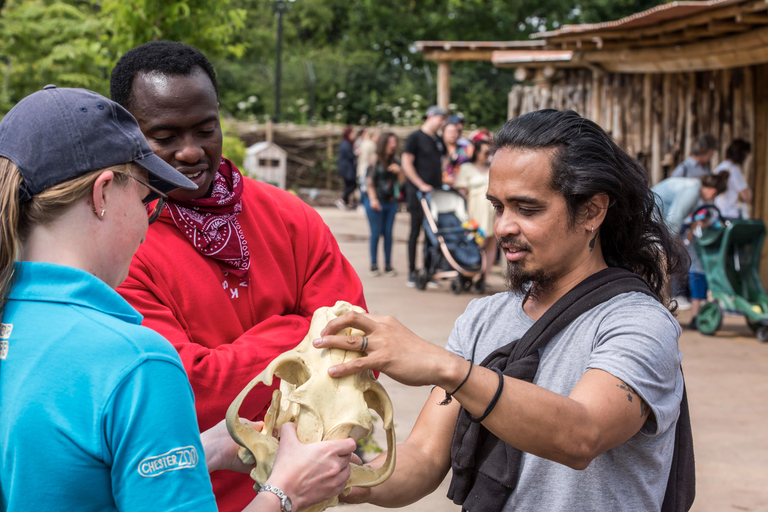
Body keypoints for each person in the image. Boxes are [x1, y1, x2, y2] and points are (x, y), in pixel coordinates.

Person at [314, 109, 693, 511]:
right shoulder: (484, 317)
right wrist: (348, 479)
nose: (502, 227)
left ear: (593, 212)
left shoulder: (638, 322)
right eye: (498, 206)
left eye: (527, 209)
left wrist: (445, 367)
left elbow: (582, 435)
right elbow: (424, 456)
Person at [0, 86, 356, 512]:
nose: (149, 220)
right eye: (148, 194)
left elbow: (74, 476)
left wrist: (204, 449)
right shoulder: (137, 362)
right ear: (103, 194)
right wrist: (286, 491)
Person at [109, 41, 367, 511]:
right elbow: (186, 394)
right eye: (165, 136)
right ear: (128, 134)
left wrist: (232, 365)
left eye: (206, 130)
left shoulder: (290, 216)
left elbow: (348, 345)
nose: (190, 152)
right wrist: (296, 329)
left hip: (310, 494)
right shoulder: (121, 246)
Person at [402, 105, 447, 287]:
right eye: (440, 118)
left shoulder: (438, 140)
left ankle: (429, 272)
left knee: (432, 233)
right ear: (430, 117)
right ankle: (412, 272)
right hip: (418, 194)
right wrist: (420, 184)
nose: (442, 122)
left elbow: (442, 163)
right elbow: (406, 163)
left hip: (435, 194)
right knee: (416, 230)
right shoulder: (415, 138)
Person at [363, 132, 404, 277]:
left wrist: (400, 172)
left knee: (388, 234)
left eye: (394, 142)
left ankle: (388, 265)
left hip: (391, 202)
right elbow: (369, 182)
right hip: (376, 202)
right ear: (383, 144)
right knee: (375, 233)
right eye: (390, 142)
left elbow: (402, 182)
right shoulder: (375, 160)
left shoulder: (396, 160)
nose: (393, 145)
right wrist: (373, 199)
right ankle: (374, 265)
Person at [455, 138, 496, 283]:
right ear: (477, 152)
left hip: (492, 209)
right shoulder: (466, 167)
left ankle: (483, 278)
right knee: (477, 242)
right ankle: (470, 274)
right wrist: (463, 214)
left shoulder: (493, 167)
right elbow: (461, 192)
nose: (487, 155)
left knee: (492, 244)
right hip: (475, 209)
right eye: (485, 152)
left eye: (489, 152)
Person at [652, 172, 729, 235]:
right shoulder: (693, 190)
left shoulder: (694, 186)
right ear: (713, 192)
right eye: (716, 196)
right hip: (650, 218)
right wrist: (668, 244)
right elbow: (675, 218)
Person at [714, 139, 752, 219]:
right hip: (731, 215)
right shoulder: (734, 170)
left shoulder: (719, 168)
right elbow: (746, 196)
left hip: (718, 213)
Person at [442, 121, 470, 186]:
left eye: (454, 131)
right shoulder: (439, 149)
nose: (452, 134)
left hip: (463, 185)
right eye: (449, 132)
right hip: (442, 186)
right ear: (444, 133)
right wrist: (443, 180)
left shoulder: (465, 149)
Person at [336, 125, 358, 210]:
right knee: (352, 185)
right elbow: (350, 155)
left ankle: (345, 202)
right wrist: (356, 153)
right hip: (347, 169)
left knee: (348, 185)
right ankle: (342, 200)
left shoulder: (346, 143)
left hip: (346, 168)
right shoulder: (346, 144)